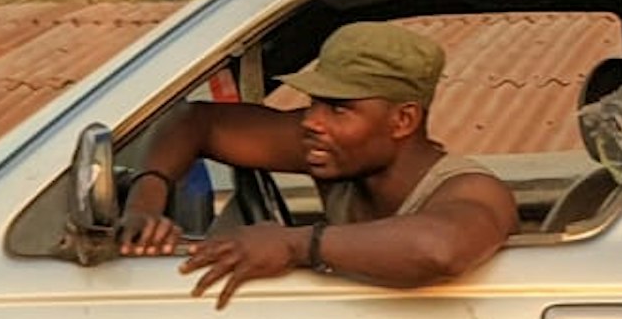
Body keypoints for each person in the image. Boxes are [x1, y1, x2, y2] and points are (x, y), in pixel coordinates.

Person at [120, 21, 519, 299]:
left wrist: (294, 245)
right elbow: (196, 121)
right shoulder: (339, 152)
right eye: (315, 103)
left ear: (403, 120)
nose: (312, 121)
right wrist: (145, 203)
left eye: (338, 109)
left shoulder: (471, 189)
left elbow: (438, 250)